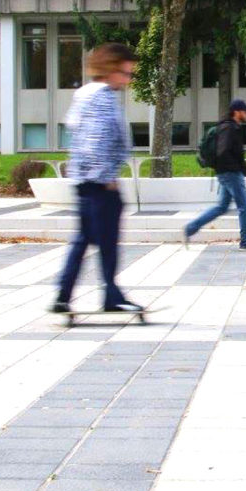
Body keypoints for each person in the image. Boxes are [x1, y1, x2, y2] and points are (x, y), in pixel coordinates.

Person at [54, 43, 142, 314]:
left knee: (85, 237)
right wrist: (106, 177)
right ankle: (110, 297)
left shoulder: (83, 95)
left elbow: (77, 131)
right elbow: (97, 140)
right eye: (126, 74)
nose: (127, 80)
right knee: (106, 240)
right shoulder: (102, 96)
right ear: (111, 69)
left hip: (83, 181)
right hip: (99, 183)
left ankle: (64, 295)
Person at [184, 99, 246, 251]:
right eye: (245, 111)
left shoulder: (230, 127)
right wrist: (236, 168)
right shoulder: (229, 128)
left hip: (226, 173)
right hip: (230, 173)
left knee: (221, 207)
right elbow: (223, 151)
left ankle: (190, 228)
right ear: (237, 112)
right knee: (244, 207)